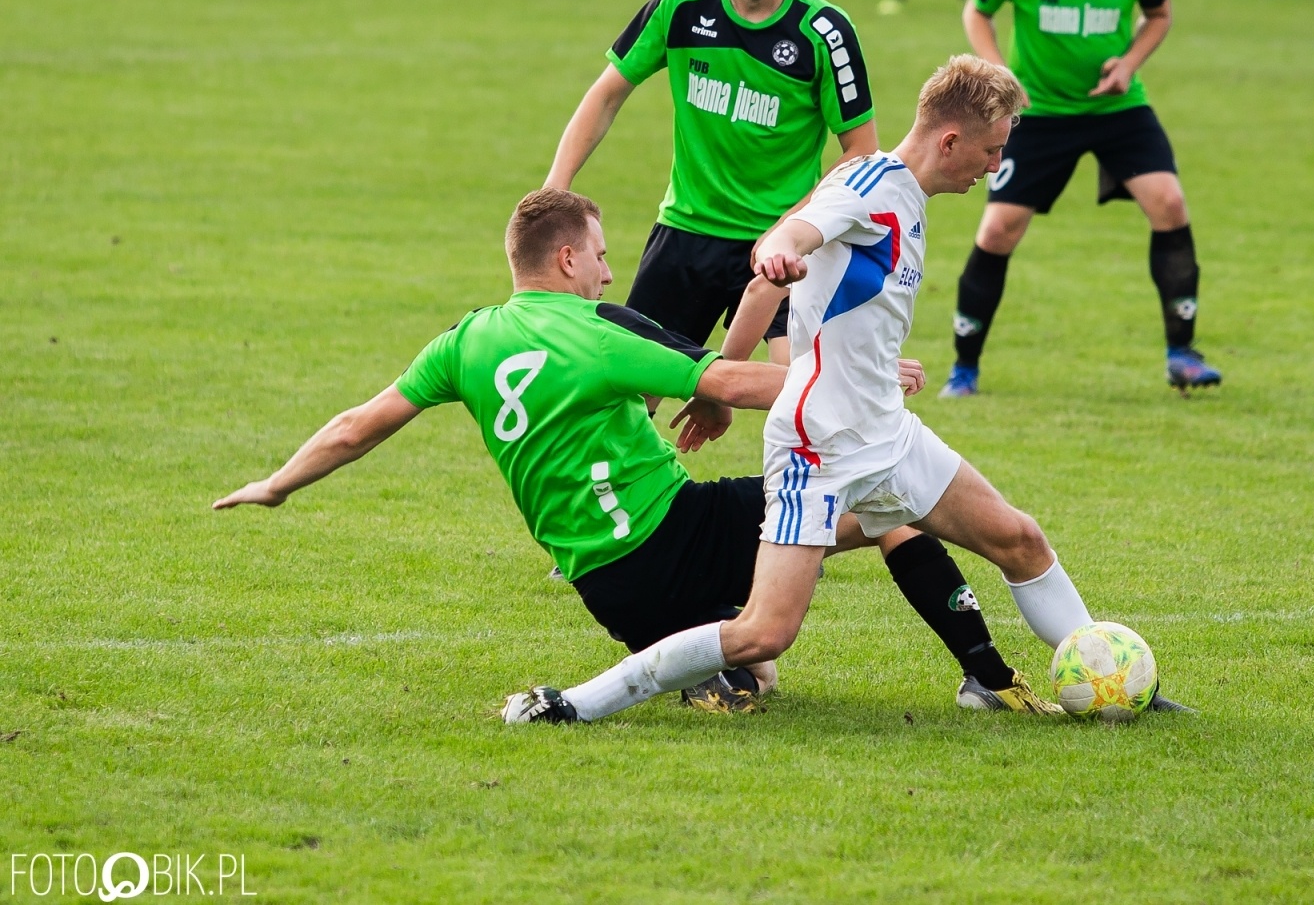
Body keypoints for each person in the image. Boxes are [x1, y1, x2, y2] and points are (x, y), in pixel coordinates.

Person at [506, 58, 1192, 725]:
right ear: (948, 140)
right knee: (763, 634)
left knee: (1020, 539)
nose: (994, 167)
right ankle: (573, 704)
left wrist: (747, 360)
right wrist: (781, 244)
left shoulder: (910, 196)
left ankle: (1112, 682)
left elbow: (764, 294)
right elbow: (793, 236)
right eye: (989, 151)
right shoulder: (865, 187)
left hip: (884, 431)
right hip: (818, 447)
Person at [214, 187, 1050, 716]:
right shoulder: (594, 330)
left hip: (608, 589)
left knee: (758, 677)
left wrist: (278, 483)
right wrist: (856, 378)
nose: (612, 276)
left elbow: (358, 425)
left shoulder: (464, 343)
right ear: (568, 257)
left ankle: (708, 669)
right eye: (604, 257)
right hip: (674, 531)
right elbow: (727, 381)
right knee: (889, 503)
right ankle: (985, 675)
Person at [545, 0, 877, 366]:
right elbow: (606, 96)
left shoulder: (824, 31)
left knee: (793, 390)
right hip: (688, 232)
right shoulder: (682, 8)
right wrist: (555, 188)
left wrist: (790, 228)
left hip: (781, 244)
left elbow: (861, 153)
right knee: (631, 394)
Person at [940, 0, 1223, 398]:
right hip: (1039, 113)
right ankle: (965, 367)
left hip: (1116, 108)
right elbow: (978, 9)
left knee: (1170, 204)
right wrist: (998, 71)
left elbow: (1159, 14)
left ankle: (1182, 354)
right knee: (998, 230)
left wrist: (1129, 63)